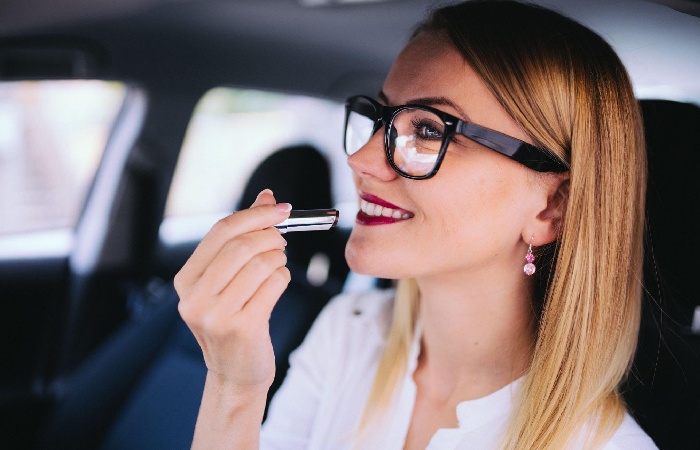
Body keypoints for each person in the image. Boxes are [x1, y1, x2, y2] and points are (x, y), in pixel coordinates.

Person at [174, 1, 658, 448]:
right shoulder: (347, 335)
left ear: (550, 208)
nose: (361, 159)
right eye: (380, 120)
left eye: (428, 130)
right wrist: (234, 385)